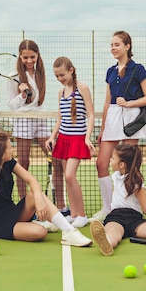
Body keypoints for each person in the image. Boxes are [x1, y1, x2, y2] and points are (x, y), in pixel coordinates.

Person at [91, 31, 146, 223]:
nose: (113, 48)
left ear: (127, 46)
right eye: (111, 45)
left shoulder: (138, 69)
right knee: (101, 163)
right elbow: (107, 101)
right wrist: (102, 130)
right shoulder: (110, 72)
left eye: (117, 44)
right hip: (112, 118)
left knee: (129, 166)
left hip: (130, 120)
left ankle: (130, 206)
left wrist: (129, 104)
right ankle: (107, 207)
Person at [6, 40, 67, 214]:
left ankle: (61, 205)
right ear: (20, 56)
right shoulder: (13, 76)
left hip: (40, 117)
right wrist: (22, 95)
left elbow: (39, 101)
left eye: (32, 56)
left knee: (56, 159)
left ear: (38, 55)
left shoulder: (41, 73)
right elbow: (12, 105)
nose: (29, 60)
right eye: (25, 57)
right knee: (23, 162)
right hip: (23, 118)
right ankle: (24, 205)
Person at [45, 57, 95, 228]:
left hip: (77, 139)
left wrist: (87, 137)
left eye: (62, 75)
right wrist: (52, 136)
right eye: (57, 76)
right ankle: (73, 214)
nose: (60, 79)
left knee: (69, 176)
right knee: (68, 178)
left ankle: (82, 215)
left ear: (71, 70)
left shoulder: (83, 88)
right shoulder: (61, 92)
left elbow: (91, 115)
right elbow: (60, 118)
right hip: (63, 139)